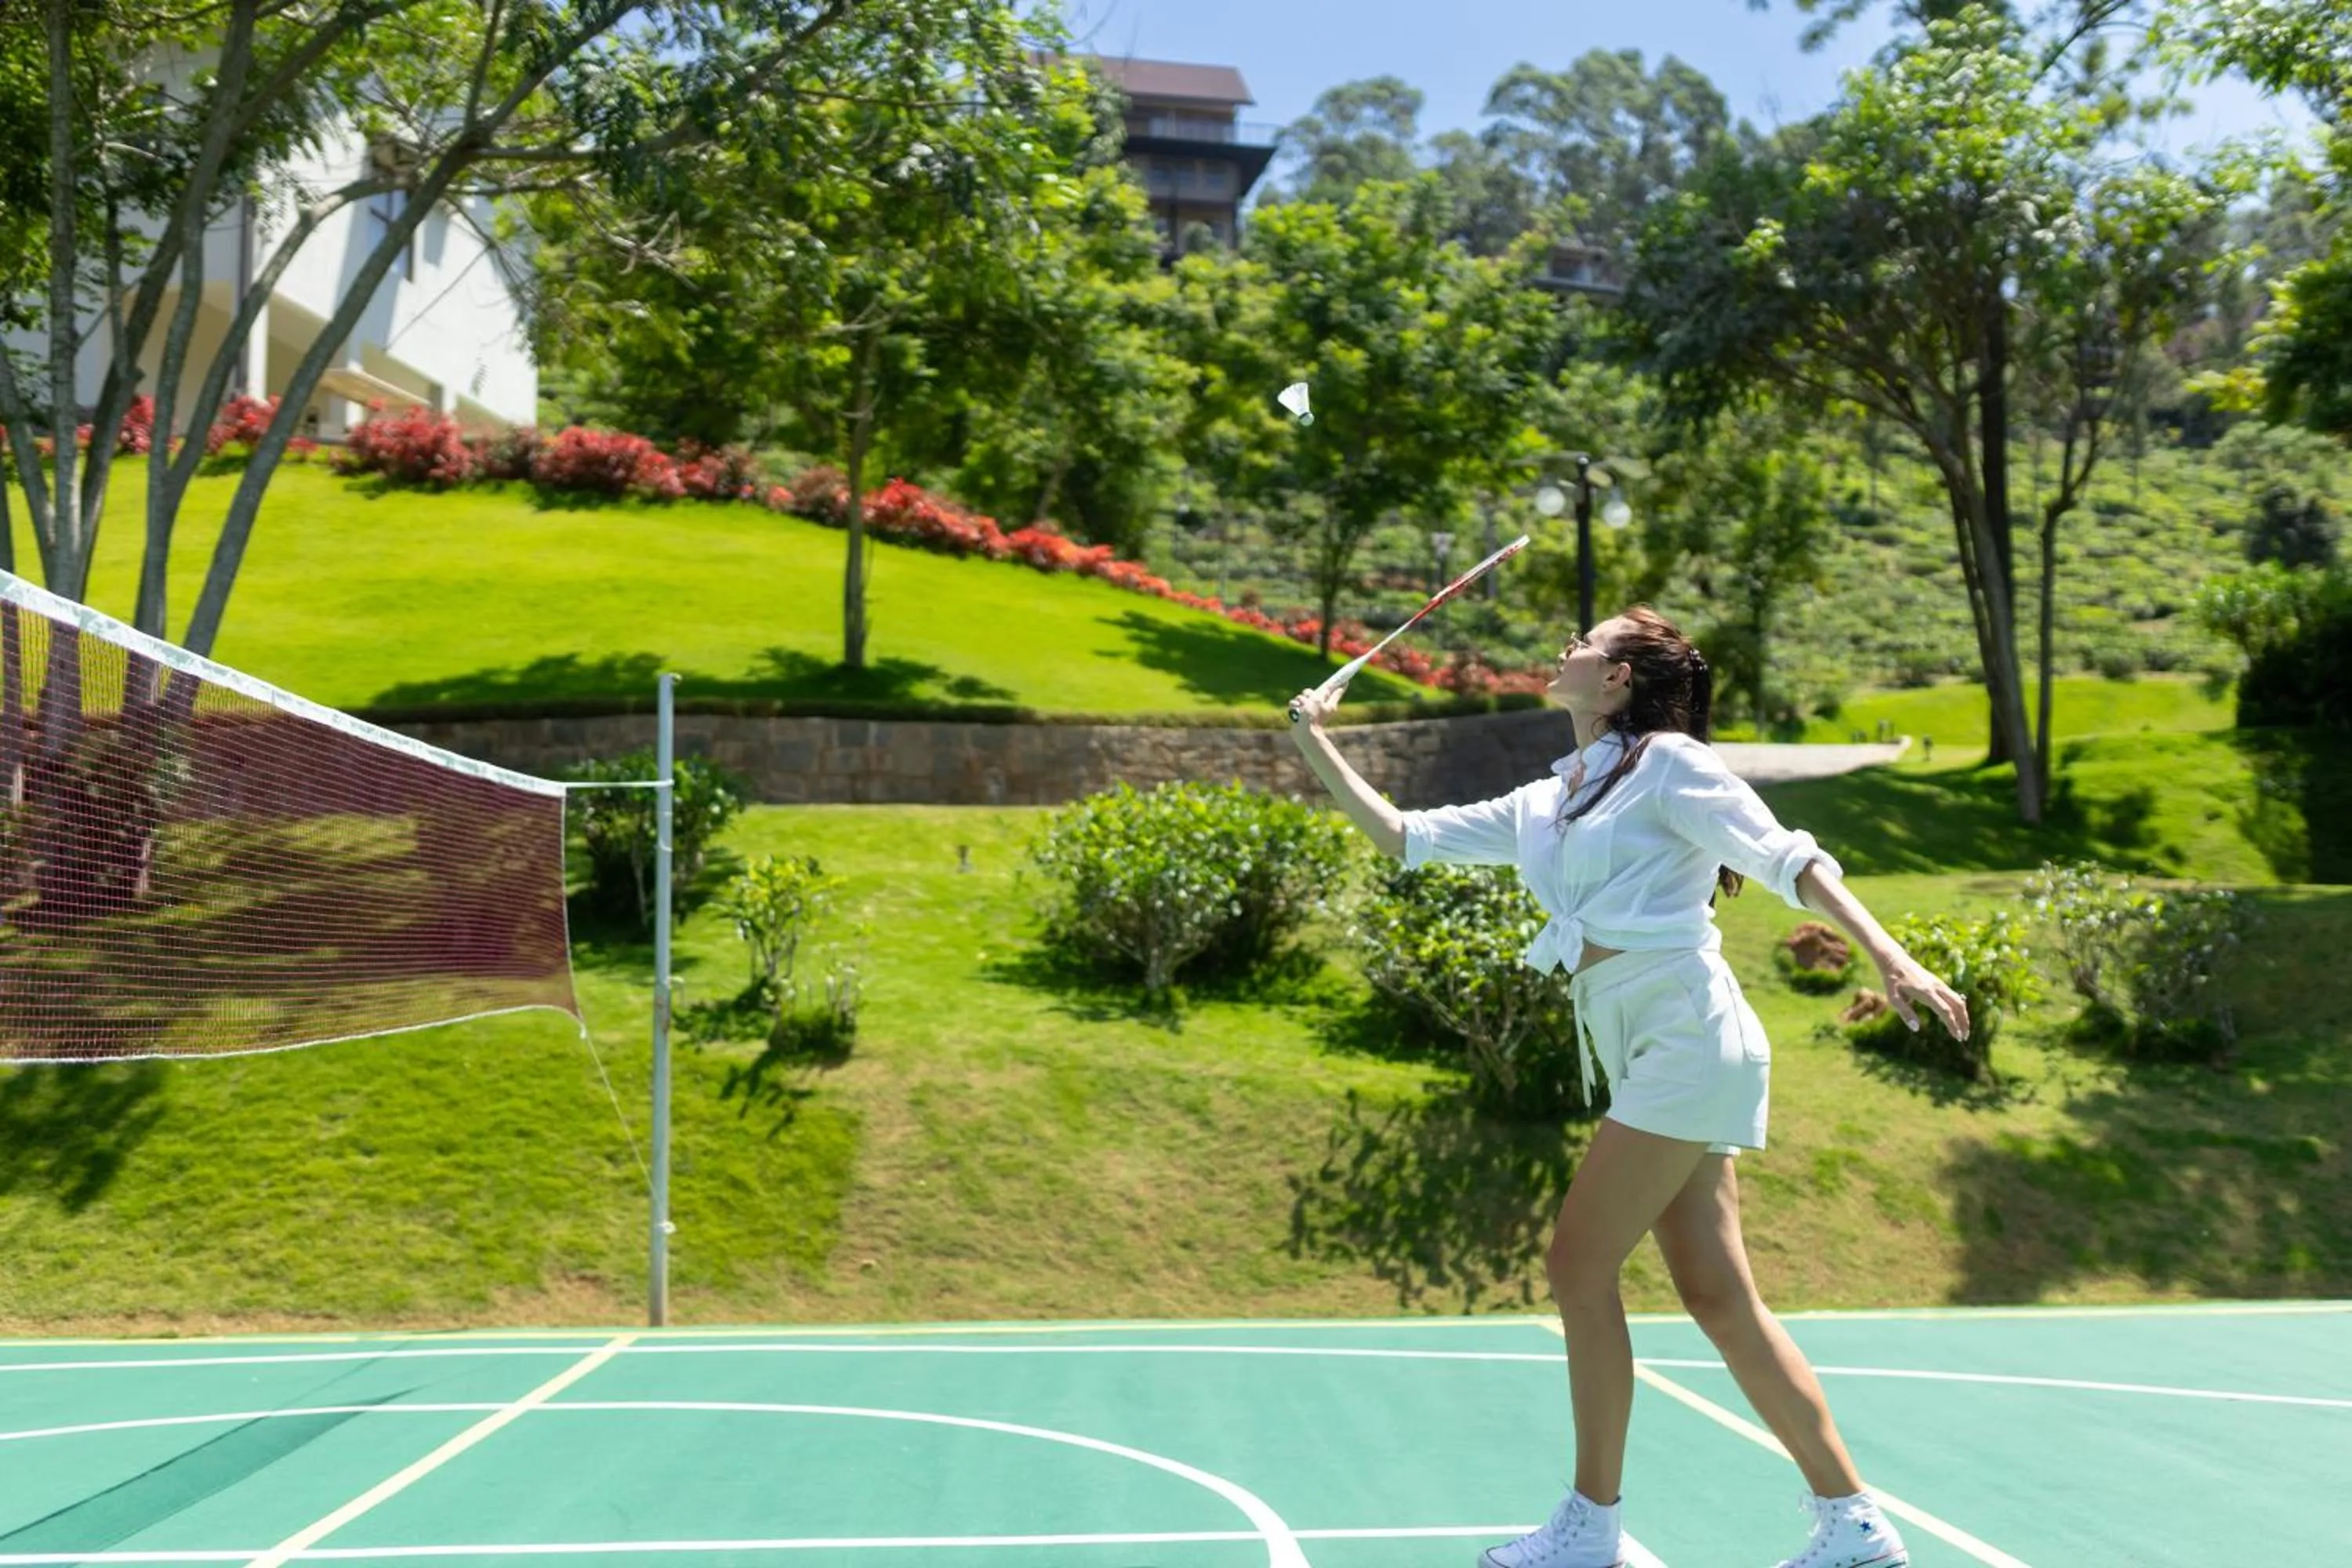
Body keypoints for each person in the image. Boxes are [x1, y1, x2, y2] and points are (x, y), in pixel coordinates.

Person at [1287, 606, 1968, 1568]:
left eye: (1585, 640)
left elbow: (1791, 858)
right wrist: (1317, 742)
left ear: (1617, 679)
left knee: (1577, 1266)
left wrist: (1891, 956)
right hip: (1649, 1040)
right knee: (1717, 1294)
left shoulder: (1672, 767)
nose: (1564, 645)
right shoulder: (1555, 794)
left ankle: (1591, 1526)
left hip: (1688, 1035)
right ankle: (1855, 1524)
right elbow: (1405, 837)